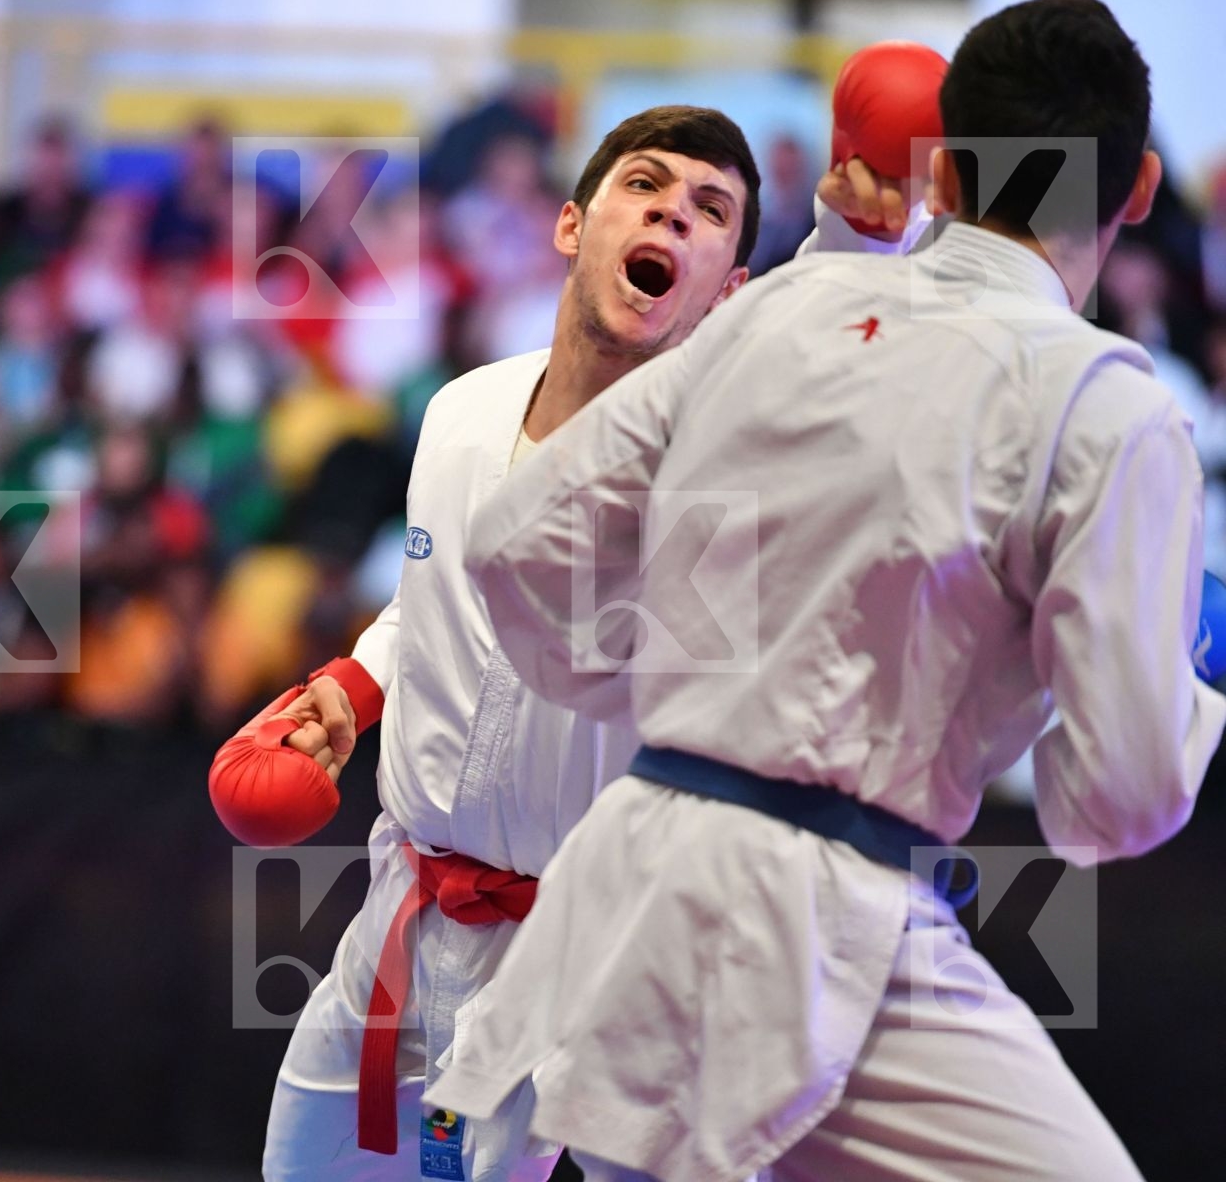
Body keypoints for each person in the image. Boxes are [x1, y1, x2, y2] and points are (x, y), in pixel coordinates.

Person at [425, 0, 1225, 1182]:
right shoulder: (1113, 404)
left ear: (944, 169)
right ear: (1142, 187)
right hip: (814, 906)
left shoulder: (785, 308)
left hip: (633, 868)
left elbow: (513, 541)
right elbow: (1112, 805)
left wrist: (665, 695)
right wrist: (1180, 673)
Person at [215, 92, 933, 1180]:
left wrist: (862, 246)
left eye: (708, 210)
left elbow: (825, 370)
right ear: (570, 225)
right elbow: (430, 597)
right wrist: (353, 693)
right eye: (644, 187)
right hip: (403, 922)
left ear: (734, 291)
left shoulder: (723, 470)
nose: (671, 218)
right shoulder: (460, 411)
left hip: (601, 972)